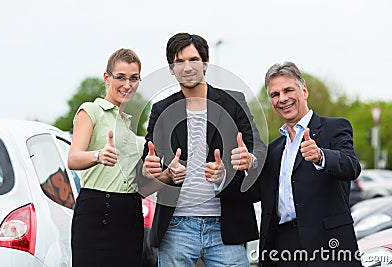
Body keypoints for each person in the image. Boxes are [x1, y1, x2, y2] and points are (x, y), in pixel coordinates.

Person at [140, 32, 267, 267]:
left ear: (205, 63)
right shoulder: (161, 110)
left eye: (193, 59)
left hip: (226, 227)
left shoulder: (233, 102)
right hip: (176, 228)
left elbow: (258, 148)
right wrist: (161, 172)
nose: (187, 67)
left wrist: (248, 160)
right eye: (179, 61)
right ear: (171, 68)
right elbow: (146, 171)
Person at [256, 61, 361, 266]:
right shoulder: (273, 149)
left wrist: (321, 156)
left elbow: (351, 166)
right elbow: (259, 193)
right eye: (275, 95)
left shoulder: (334, 128)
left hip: (329, 247)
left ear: (304, 91)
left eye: (288, 90)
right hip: (282, 248)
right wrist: (234, 171)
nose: (282, 99)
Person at [68, 48, 144, 267]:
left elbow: (140, 181)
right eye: (120, 77)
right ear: (107, 77)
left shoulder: (130, 126)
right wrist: (99, 155)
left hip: (130, 214)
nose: (127, 85)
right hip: (97, 212)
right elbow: (73, 159)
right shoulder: (91, 111)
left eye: (133, 78)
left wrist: (166, 173)